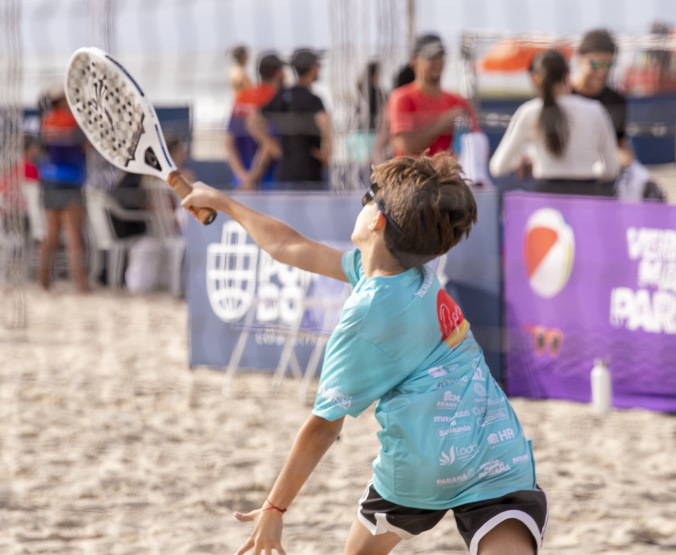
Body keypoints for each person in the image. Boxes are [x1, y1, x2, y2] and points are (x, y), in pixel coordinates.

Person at [180, 153, 547, 555]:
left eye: (368, 196)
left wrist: (274, 508)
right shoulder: (412, 270)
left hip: (422, 466)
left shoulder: (366, 313)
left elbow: (324, 427)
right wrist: (223, 202)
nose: (364, 202)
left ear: (377, 222)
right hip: (495, 450)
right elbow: (287, 245)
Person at [490, 50, 619, 196]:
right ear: (567, 75)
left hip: (546, 198)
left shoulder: (529, 112)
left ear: (535, 78)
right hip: (587, 196)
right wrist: (586, 168)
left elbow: (498, 167)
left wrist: (525, 161)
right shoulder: (595, 110)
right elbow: (611, 170)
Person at [249, 48, 331, 190]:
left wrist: (272, 145)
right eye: (317, 66)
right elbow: (324, 123)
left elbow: (252, 121)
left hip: (284, 170)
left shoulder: (282, 95)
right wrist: (326, 153)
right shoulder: (313, 100)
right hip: (309, 171)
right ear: (312, 69)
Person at [387, 34, 480, 158]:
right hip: (412, 171)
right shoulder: (401, 98)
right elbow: (406, 145)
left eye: (441, 56)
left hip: (448, 171)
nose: (438, 62)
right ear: (414, 62)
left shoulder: (460, 102)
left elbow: (478, 145)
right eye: (431, 57)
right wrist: (444, 122)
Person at [37, 84, 91, 293]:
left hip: (49, 179)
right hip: (70, 180)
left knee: (51, 234)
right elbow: (87, 146)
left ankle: (43, 281)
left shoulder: (46, 120)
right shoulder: (73, 121)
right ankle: (82, 284)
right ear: (61, 100)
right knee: (74, 235)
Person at [570, 29, 633, 196]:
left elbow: (620, 146)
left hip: (603, 181)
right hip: (566, 178)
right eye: (596, 64)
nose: (602, 71)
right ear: (580, 59)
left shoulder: (616, 101)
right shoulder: (562, 97)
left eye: (608, 65)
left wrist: (626, 160)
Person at [225, 51, 284, 190]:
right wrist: (253, 177)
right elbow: (269, 144)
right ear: (278, 73)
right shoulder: (276, 99)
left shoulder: (242, 97)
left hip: (241, 182)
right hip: (268, 182)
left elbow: (228, 143)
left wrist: (241, 176)